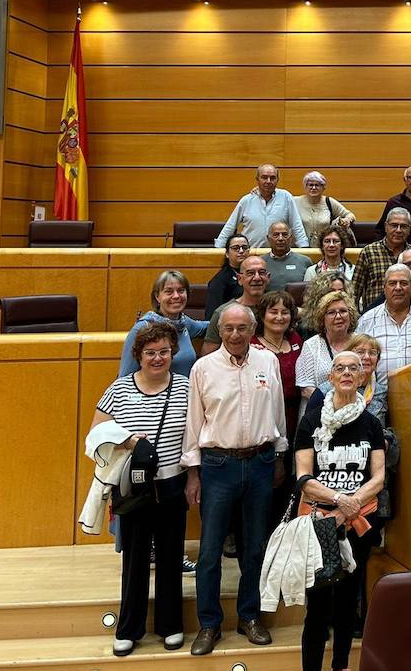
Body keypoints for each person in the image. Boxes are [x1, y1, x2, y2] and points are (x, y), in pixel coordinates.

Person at [183, 302, 287, 655]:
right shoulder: (203, 368)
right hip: (217, 466)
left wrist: (278, 456)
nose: (235, 334)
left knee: (255, 547)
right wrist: (193, 474)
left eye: (242, 328)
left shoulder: (267, 362)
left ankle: (249, 616)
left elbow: (277, 414)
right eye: (228, 328)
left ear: (251, 330)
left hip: (260, 461)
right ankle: (209, 624)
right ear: (220, 330)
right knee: (210, 550)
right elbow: (193, 425)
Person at [89, 321, 191, 656]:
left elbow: (196, 435)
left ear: (172, 353)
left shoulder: (186, 387)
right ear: (139, 355)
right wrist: (129, 441)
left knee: (170, 555)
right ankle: (128, 628)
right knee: (134, 559)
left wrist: (195, 476)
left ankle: (170, 625)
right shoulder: (118, 389)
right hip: (132, 488)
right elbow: (95, 437)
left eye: (163, 351)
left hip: (172, 484)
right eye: (150, 352)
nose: (157, 358)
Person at [294, 350, 386, 671]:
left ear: (362, 378)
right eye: (339, 368)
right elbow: (304, 478)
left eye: (354, 368)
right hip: (320, 522)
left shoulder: (371, 423)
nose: (346, 372)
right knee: (317, 605)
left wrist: (351, 503)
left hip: (357, 521)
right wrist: (338, 499)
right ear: (330, 377)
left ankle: (341, 666)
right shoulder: (311, 420)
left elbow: (378, 477)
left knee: (348, 602)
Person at [356, 264, 411, 421]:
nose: (398, 288)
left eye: (403, 283)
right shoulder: (367, 320)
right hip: (377, 401)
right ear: (384, 288)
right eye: (392, 283)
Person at [119, 270, 208, 379]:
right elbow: (124, 378)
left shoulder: (184, 323)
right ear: (157, 296)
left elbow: (207, 326)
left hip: (183, 392)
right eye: (169, 291)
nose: (176, 296)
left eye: (181, 290)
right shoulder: (143, 328)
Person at [215, 163, 308, 249]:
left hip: (279, 255)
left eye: (272, 178)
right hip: (251, 254)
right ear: (257, 179)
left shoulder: (286, 197)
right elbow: (230, 226)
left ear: (277, 180)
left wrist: (304, 247)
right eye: (264, 177)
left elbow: (296, 225)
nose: (268, 181)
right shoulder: (246, 200)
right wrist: (218, 248)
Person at [251, 291, 304, 439]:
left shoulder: (295, 339)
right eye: (273, 312)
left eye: (285, 312)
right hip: (265, 414)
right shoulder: (251, 344)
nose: (279, 317)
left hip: (295, 410)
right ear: (262, 315)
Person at [201, 255, 271, 355]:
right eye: (250, 273)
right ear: (239, 279)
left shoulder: (277, 311)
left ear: (268, 278)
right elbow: (208, 356)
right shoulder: (223, 313)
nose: (257, 278)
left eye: (262, 273)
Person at [296, 291, 356, 402]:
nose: (338, 316)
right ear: (322, 318)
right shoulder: (311, 346)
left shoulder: (360, 343)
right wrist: (335, 403)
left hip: (355, 409)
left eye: (343, 311)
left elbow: (367, 380)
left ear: (350, 315)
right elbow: (306, 388)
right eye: (331, 312)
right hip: (319, 410)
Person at [350, 208, 411, 312]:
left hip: (409, 319)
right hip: (372, 319)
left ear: (409, 229)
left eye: (403, 226)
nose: (398, 230)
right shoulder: (369, 252)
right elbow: (354, 291)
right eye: (394, 225)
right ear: (385, 226)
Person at [294, 171, 355, 248]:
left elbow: (350, 215)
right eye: (310, 185)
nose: (313, 188)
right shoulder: (295, 201)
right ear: (305, 187)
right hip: (301, 248)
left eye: (317, 185)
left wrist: (346, 220)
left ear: (323, 188)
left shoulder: (329, 202)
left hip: (325, 248)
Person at [206, 234, 249, 318]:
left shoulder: (254, 274)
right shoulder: (219, 280)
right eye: (236, 248)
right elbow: (212, 315)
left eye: (244, 247)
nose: (241, 251)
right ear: (227, 254)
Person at [260, 221, 312, 288]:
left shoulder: (305, 261)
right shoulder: (260, 262)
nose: (280, 238)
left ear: (291, 238)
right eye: (276, 235)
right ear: (268, 238)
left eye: (285, 235)